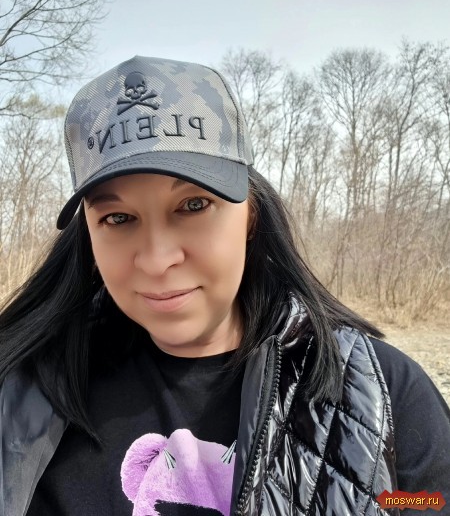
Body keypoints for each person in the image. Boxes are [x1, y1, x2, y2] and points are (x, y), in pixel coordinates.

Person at [0, 56, 449, 516]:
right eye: (118, 218)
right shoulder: (23, 395)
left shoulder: (381, 394)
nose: (156, 259)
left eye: (194, 205)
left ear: (251, 214)